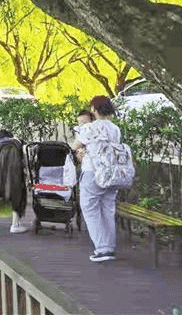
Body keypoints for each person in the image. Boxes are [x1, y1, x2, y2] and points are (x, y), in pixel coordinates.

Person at [71, 96, 122, 262]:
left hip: (92, 172)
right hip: (111, 173)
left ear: (93, 109)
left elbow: (74, 146)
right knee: (108, 209)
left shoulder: (88, 128)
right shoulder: (115, 129)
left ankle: (102, 249)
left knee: (90, 209)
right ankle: (110, 248)